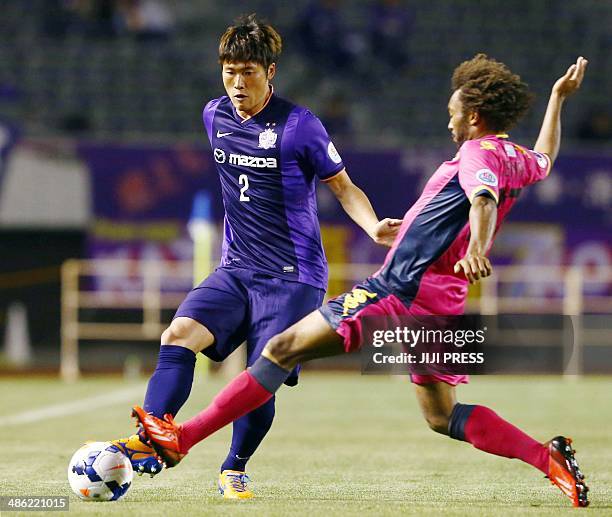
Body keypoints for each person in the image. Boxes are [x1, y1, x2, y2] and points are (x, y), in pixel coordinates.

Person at [134, 54, 590, 508]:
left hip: (398, 290)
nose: (449, 120)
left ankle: (184, 440)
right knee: (441, 415)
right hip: (444, 303)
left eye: (452, 112)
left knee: (279, 350)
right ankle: (545, 458)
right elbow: (546, 157)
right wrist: (556, 99)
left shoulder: (477, 153)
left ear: (473, 115)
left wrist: (476, 248)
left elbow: (483, 199)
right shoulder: (516, 156)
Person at [114, 14, 401, 499]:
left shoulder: (300, 125)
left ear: (271, 73)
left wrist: (372, 225)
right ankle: (153, 435)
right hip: (236, 268)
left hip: (294, 276)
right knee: (178, 333)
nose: (237, 82)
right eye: (229, 71)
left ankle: (234, 466)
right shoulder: (214, 116)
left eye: (248, 71)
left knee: (259, 374)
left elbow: (343, 187)